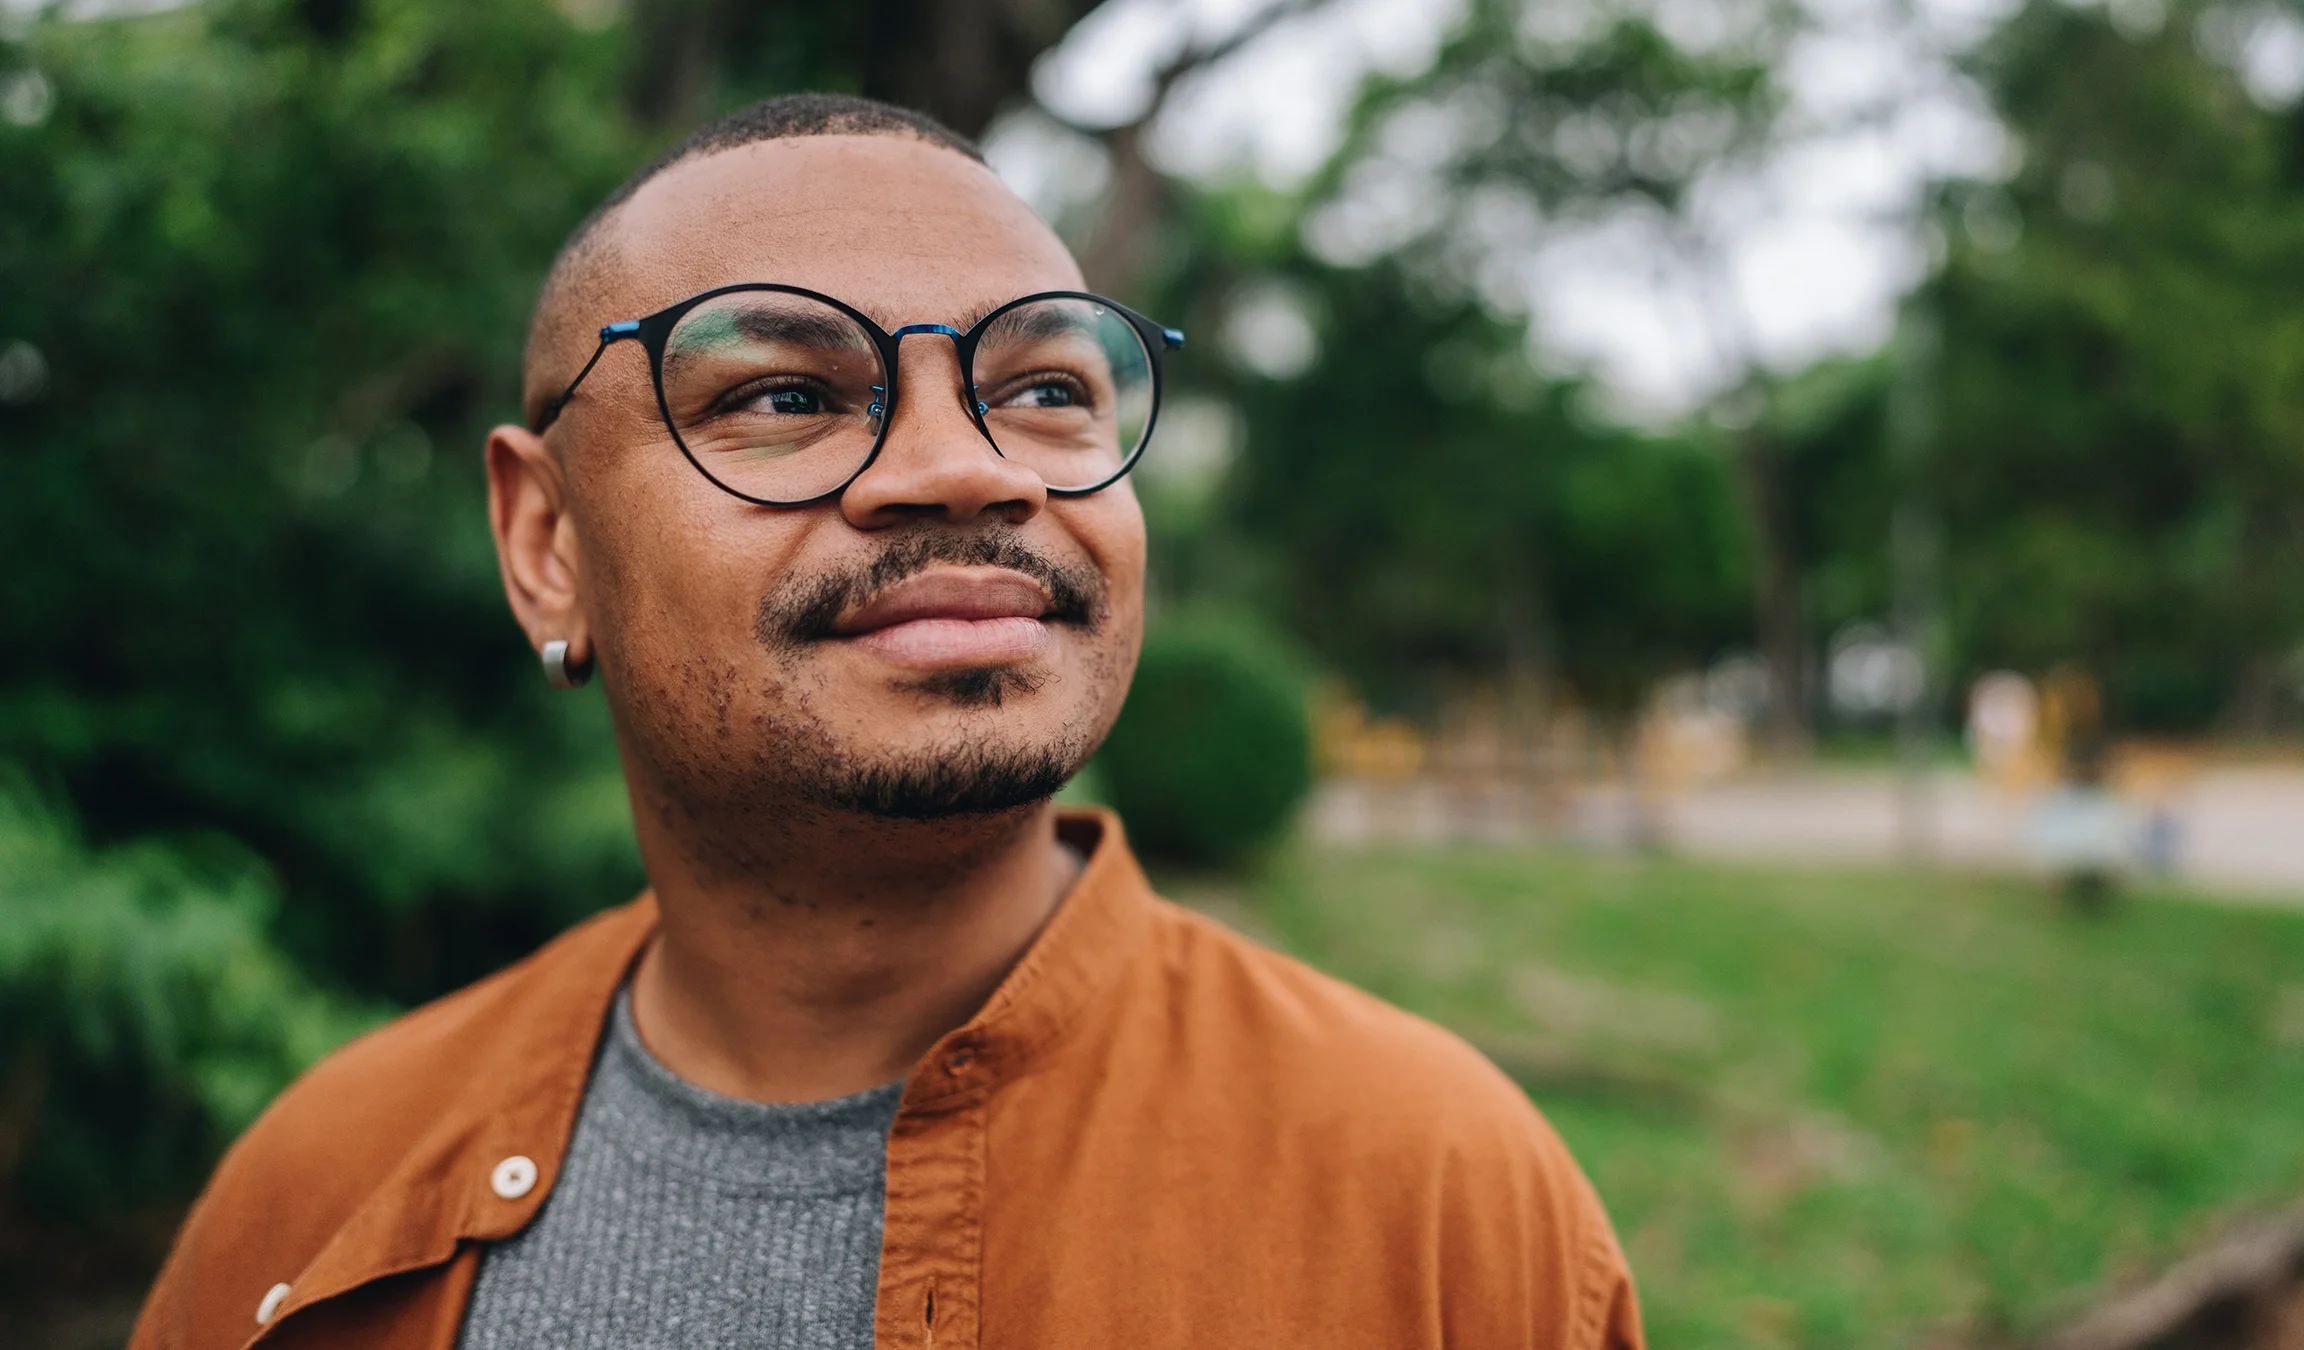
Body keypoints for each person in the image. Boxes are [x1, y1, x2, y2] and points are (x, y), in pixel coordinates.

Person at [130, 92, 1642, 1350]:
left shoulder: (1441, 1202)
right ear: (547, 542)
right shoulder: (316, 1192)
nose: (968, 467)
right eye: (787, 397)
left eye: (1048, 385)